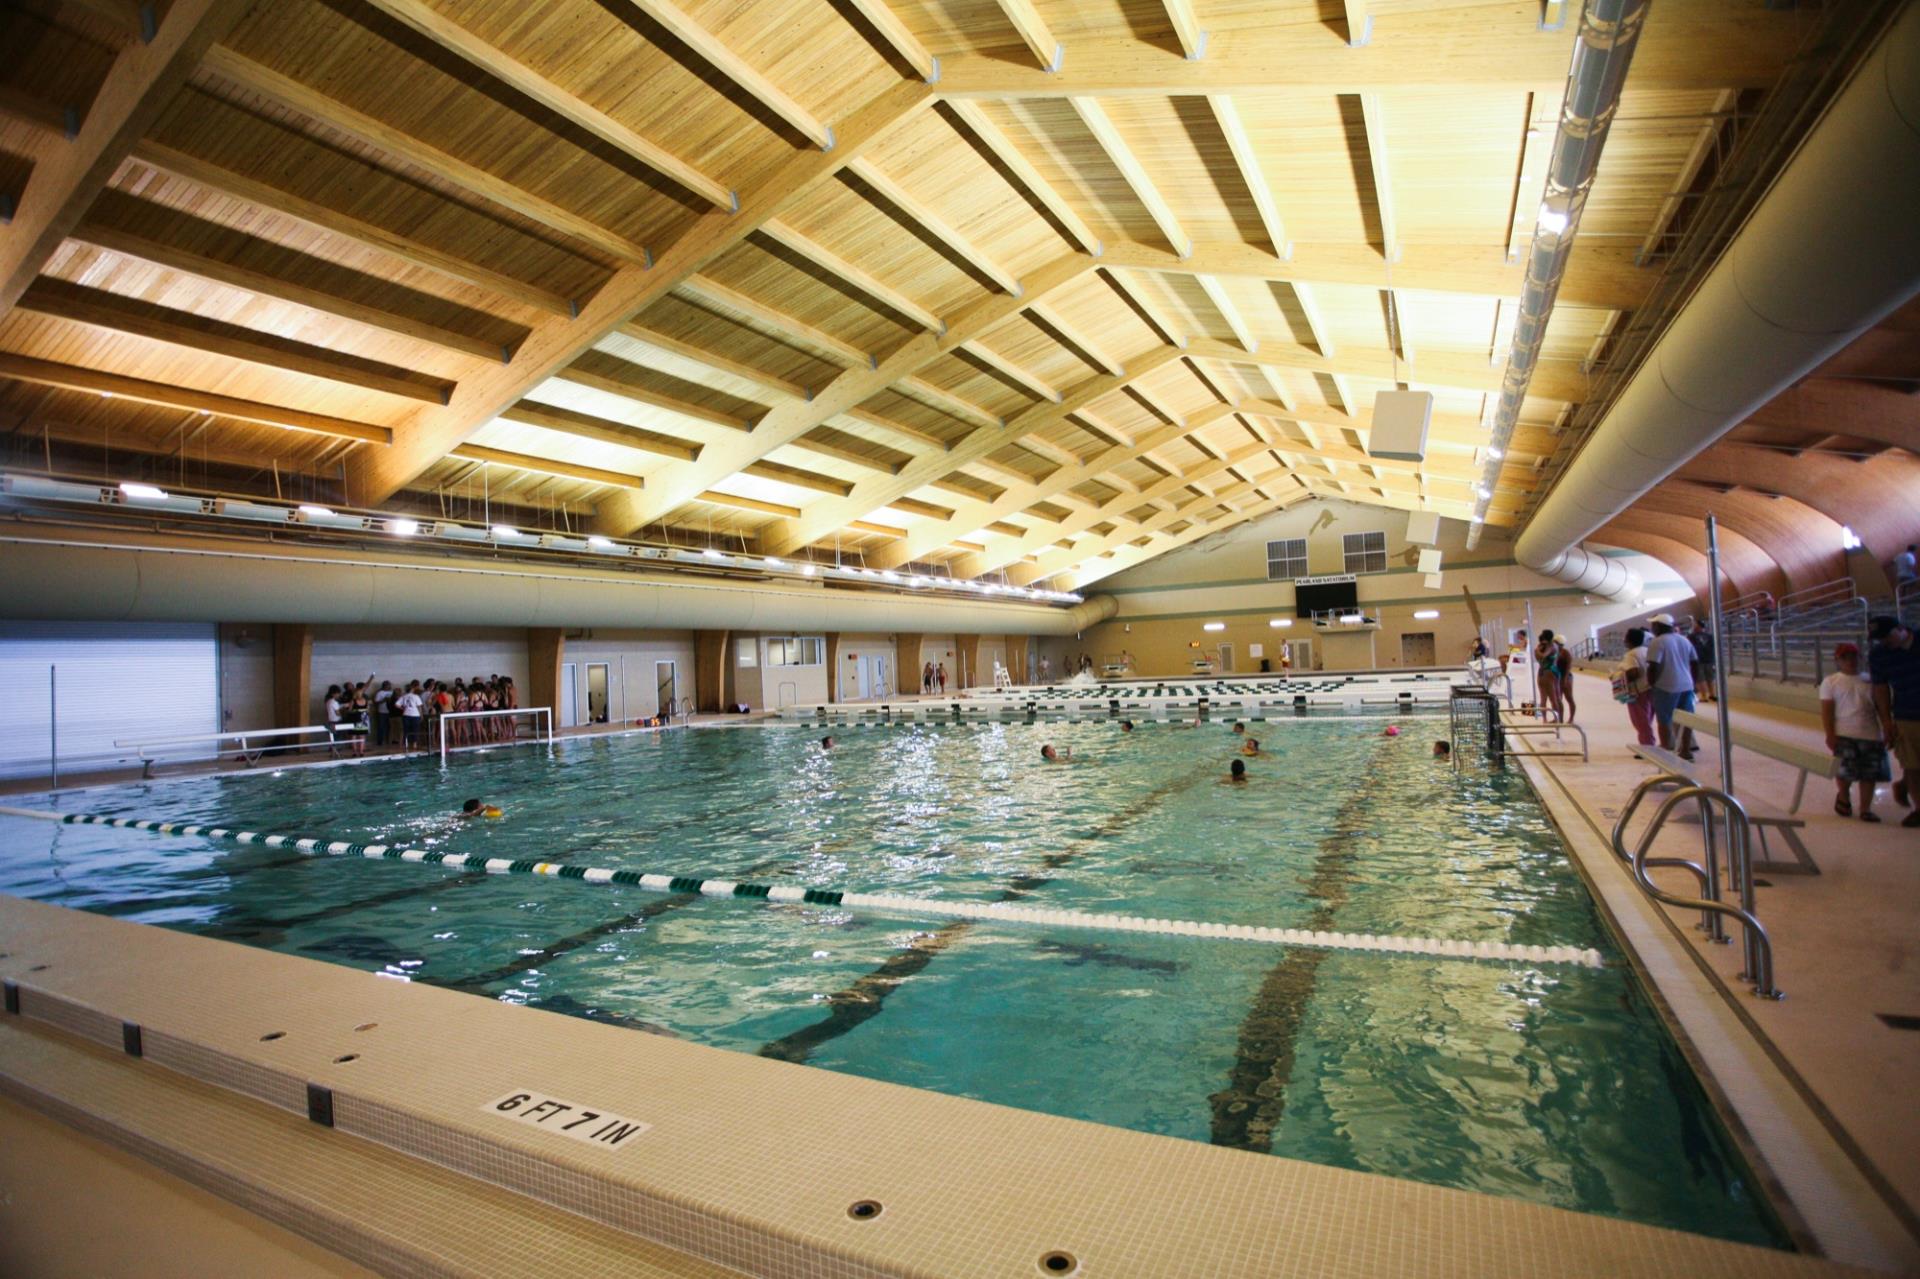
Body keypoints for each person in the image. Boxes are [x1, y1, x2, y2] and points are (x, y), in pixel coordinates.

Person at [1821, 643, 1888, 822]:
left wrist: (1887, 726)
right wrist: (1830, 734)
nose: (1850, 661)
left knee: (1869, 773)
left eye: (1853, 656)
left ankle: (1865, 808)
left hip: (1870, 732)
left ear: (1860, 658)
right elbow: (1827, 710)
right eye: (1845, 657)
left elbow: (1881, 706)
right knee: (1845, 772)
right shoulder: (1831, 682)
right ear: (1838, 660)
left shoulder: (1870, 680)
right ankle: (1844, 795)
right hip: (1844, 733)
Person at [1868, 616, 1920, 826]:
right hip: (1906, 714)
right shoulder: (1879, 655)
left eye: (1887, 637)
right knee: (1911, 762)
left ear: (1901, 628)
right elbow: (1880, 689)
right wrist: (1886, 721)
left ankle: (1905, 784)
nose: (1884, 642)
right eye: (1880, 639)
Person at [1644, 614, 1698, 759]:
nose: (1652, 628)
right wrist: (1694, 682)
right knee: (1686, 719)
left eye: (1653, 625)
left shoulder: (1658, 642)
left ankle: (1666, 747)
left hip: (1666, 685)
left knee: (1664, 719)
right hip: (1686, 685)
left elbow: (1653, 665)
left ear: (1659, 626)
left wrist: (1651, 683)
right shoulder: (1684, 640)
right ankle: (1685, 750)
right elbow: (1694, 662)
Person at [1613, 626, 1656, 747]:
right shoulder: (1647, 650)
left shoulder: (1631, 655)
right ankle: (1648, 741)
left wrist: (1618, 677)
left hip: (1638, 691)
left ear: (1629, 641)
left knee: (1640, 720)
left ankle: (1647, 745)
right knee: (1647, 717)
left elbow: (1633, 672)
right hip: (1650, 688)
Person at [1535, 629, 1566, 723]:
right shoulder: (1553, 646)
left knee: (1551, 697)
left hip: (1547, 672)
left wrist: (1537, 651)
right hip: (1550, 671)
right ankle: (1556, 718)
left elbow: (1543, 656)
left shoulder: (1550, 646)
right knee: (1551, 697)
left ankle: (1553, 718)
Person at [1686, 617, 1717, 704]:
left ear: (1697, 626)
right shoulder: (1710, 636)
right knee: (1710, 677)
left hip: (1697, 659)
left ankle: (1704, 696)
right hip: (1709, 659)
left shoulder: (1691, 636)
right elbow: (1713, 647)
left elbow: (1689, 648)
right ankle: (1712, 694)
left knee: (1701, 679)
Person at [396, 682, 425, 751]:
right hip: (415, 715)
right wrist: (421, 715)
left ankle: (406, 743)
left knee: (406, 730)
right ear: (412, 689)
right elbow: (419, 707)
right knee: (415, 729)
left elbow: (396, 705)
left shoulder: (403, 696)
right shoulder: (416, 696)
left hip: (406, 715)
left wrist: (403, 708)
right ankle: (414, 744)